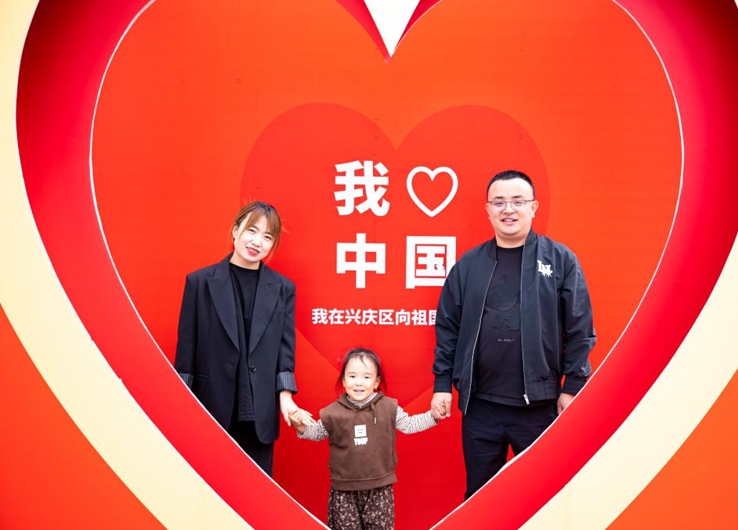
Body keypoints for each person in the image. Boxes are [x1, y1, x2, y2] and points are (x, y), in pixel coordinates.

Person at [430, 169, 596, 499]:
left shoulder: (560, 260)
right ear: (487, 209)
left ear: (533, 207)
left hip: (539, 407)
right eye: (500, 202)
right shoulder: (469, 265)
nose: (509, 209)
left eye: (518, 201)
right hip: (481, 405)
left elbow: (580, 329)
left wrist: (573, 386)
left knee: (539, 497)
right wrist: (441, 385)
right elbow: (448, 327)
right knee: (479, 497)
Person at [174, 200, 311, 475]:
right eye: (251, 230)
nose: (257, 241)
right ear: (235, 231)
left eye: (267, 236)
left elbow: (285, 352)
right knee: (210, 494)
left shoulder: (283, 288)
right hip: (209, 408)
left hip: (258, 413)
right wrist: (182, 407)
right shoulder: (199, 283)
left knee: (257, 494)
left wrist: (285, 398)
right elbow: (185, 353)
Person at [289, 348, 441, 530]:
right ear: (344, 381)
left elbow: (409, 425)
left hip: (380, 488)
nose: (359, 383)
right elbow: (316, 433)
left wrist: (433, 416)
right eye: (352, 376)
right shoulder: (332, 412)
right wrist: (299, 425)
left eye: (367, 377)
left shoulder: (388, 407)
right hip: (344, 490)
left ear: (376, 381)